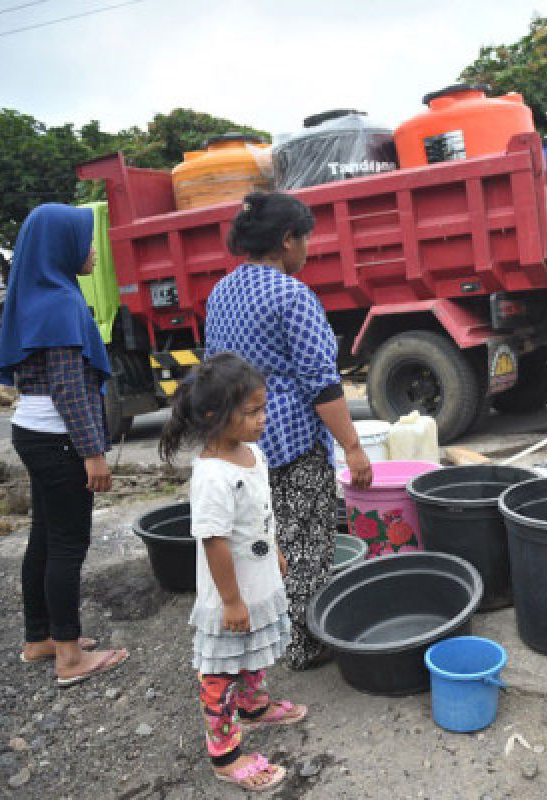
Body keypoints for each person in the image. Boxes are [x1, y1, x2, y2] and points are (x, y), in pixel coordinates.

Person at [204, 192, 372, 671]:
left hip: (239, 442)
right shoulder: (291, 295)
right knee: (305, 548)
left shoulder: (222, 291)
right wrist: (353, 448)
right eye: (305, 239)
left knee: (260, 544)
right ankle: (304, 646)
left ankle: (265, 638)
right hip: (293, 443)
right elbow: (322, 384)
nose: (307, 250)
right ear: (286, 240)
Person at [0, 203, 129, 687]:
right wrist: (93, 452)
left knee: (45, 538)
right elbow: (71, 389)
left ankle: (41, 637)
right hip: (60, 440)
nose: (93, 249)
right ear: (61, 246)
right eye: (86, 240)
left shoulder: (33, 294)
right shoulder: (62, 303)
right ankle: (70, 656)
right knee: (69, 544)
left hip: (32, 430)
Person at [160, 353, 304, 792]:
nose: (263, 419)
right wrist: (231, 600)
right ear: (212, 416)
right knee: (221, 669)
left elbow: (262, 513)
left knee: (253, 646)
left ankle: (254, 706)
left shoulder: (251, 454)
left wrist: (275, 550)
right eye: (251, 412)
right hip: (230, 591)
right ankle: (225, 755)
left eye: (263, 408)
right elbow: (214, 540)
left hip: (256, 578)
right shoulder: (212, 476)